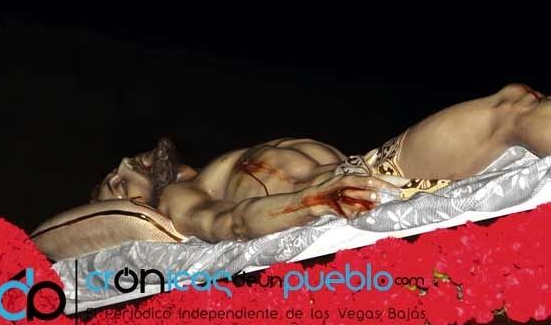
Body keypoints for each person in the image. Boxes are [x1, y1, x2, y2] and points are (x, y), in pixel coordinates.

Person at [90, 84, 550, 243]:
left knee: (515, 103)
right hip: (355, 189)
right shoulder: (178, 200)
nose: (124, 165)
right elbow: (232, 224)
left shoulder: (212, 170)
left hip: (372, 166)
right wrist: (311, 201)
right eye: (117, 183)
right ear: (135, 207)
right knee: (509, 112)